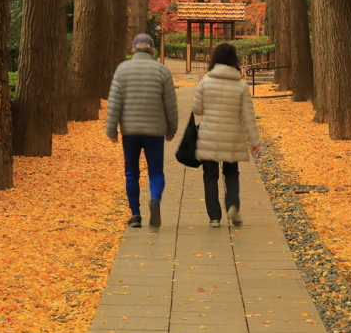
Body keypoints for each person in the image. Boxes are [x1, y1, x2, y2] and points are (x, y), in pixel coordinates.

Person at [106, 33, 178, 228]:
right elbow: (170, 103)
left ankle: (135, 215)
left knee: (131, 172)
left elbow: (114, 102)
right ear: (153, 50)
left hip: (130, 130)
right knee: (155, 171)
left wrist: (111, 129)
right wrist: (172, 128)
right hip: (154, 130)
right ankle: (154, 198)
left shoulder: (123, 69)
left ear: (133, 49)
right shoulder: (162, 71)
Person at [191, 42, 261, 227]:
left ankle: (214, 217)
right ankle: (232, 206)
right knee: (231, 174)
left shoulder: (205, 81)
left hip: (209, 136)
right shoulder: (241, 85)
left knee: (210, 176)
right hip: (232, 137)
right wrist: (254, 141)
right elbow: (248, 115)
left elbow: (196, 109)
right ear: (234, 60)